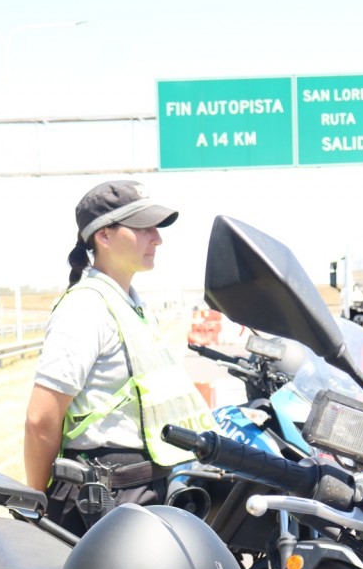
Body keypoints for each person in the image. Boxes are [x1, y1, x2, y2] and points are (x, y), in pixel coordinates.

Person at [23, 180, 217, 536]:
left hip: (141, 491)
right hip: (104, 502)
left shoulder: (131, 304)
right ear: (104, 236)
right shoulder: (86, 306)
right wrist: (37, 503)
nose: (156, 239)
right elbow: (40, 419)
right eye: (143, 228)